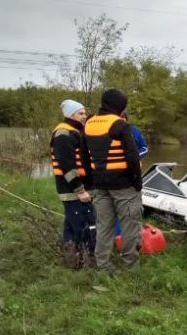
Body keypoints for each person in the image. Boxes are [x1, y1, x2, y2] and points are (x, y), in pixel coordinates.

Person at [84, 88, 143, 271]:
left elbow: (85, 156)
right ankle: (130, 266)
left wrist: (91, 181)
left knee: (104, 226)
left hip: (100, 185)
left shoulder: (89, 123)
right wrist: (137, 183)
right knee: (130, 226)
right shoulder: (120, 125)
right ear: (119, 106)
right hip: (123, 185)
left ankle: (103, 265)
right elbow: (132, 157)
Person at [51, 99, 95, 268]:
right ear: (70, 115)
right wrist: (80, 189)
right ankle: (84, 261)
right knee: (82, 225)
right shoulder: (63, 133)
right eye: (80, 113)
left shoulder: (76, 131)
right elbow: (67, 165)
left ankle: (72, 261)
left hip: (79, 189)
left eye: (84, 113)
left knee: (71, 224)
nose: (84, 116)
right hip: (73, 190)